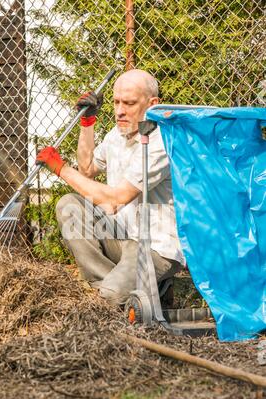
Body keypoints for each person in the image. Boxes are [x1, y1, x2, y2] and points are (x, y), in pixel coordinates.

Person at [36, 69, 185, 306]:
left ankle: (121, 290)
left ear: (152, 104)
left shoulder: (161, 143)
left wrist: (61, 168)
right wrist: (87, 122)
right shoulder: (117, 135)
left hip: (155, 248)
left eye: (129, 103)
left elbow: (116, 199)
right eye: (116, 102)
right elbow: (86, 169)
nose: (119, 111)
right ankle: (108, 286)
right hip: (122, 237)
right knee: (70, 205)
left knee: (112, 297)